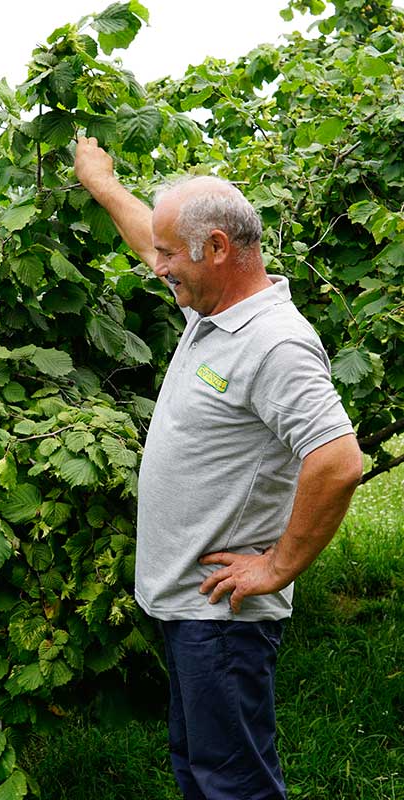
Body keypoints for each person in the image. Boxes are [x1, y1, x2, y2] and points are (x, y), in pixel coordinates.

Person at [74, 136, 363, 800]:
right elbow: (151, 240)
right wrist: (101, 181)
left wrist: (277, 565)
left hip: (224, 619)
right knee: (200, 769)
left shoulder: (275, 343)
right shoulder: (215, 307)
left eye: (172, 256)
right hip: (190, 607)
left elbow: (339, 461)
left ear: (219, 250)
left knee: (234, 784)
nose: (158, 267)